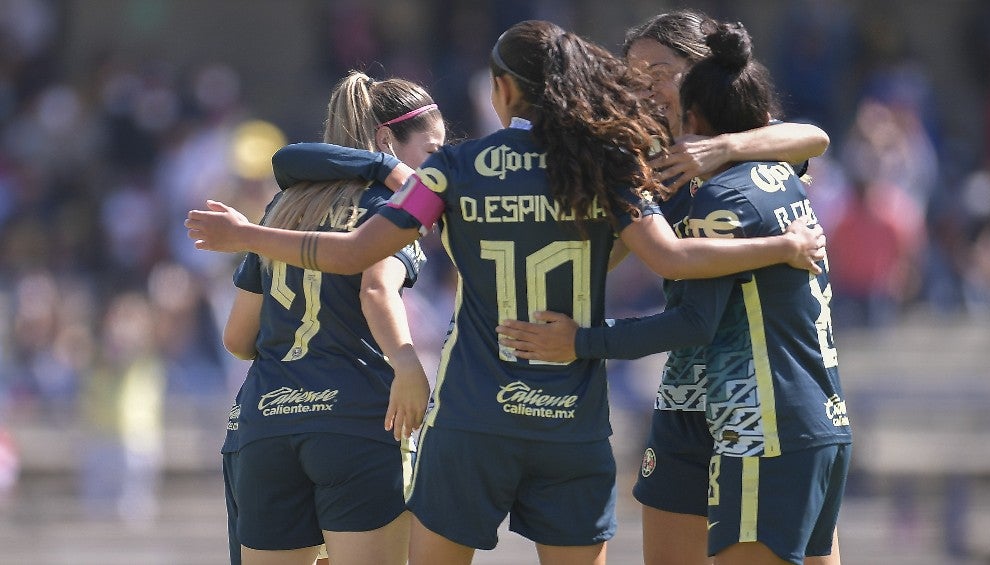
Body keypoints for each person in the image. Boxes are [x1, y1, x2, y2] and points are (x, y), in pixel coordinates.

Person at [187, 20, 826, 565]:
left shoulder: (451, 168)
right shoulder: (610, 166)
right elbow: (678, 257)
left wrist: (250, 235)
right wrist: (782, 244)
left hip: (471, 419)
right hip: (570, 427)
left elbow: (356, 253)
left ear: (502, 90)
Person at [498, 19, 851, 565]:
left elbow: (815, 138)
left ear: (700, 75)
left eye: (660, 73)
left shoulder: (741, 156)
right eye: (634, 76)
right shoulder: (637, 153)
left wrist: (721, 148)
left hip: (757, 396)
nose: (645, 88)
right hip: (689, 389)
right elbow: (613, 258)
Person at [219, 71, 443, 565]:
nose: (438, 166)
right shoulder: (399, 206)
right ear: (387, 141)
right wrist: (407, 366)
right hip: (359, 420)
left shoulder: (282, 206)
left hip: (267, 424)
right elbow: (375, 290)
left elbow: (237, 338)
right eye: (431, 151)